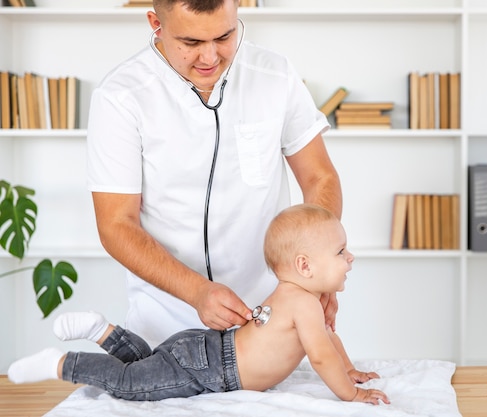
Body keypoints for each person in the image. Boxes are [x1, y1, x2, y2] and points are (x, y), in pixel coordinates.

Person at [86, 0, 341, 348]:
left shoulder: (275, 74)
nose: (210, 58)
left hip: (273, 322)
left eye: (224, 36)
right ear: (155, 24)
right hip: (163, 328)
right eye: (190, 43)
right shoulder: (120, 97)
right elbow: (116, 224)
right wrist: (197, 292)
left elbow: (319, 178)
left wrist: (318, 273)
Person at [8, 205, 390, 406]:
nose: (350, 257)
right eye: (341, 251)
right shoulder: (303, 304)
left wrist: (351, 368)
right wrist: (351, 394)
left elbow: (327, 339)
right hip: (211, 369)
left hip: (204, 349)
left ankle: (103, 332)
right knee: (130, 384)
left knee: (145, 366)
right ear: (305, 266)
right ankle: (60, 363)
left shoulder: (302, 297)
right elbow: (321, 357)